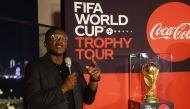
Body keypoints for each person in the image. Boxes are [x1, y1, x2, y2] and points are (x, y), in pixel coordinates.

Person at [24, 28, 101, 109]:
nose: (60, 40)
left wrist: (94, 79)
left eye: (64, 38)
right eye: (54, 37)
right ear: (45, 44)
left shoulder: (75, 66)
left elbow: (88, 99)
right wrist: (63, 88)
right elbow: (31, 103)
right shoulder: (35, 67)